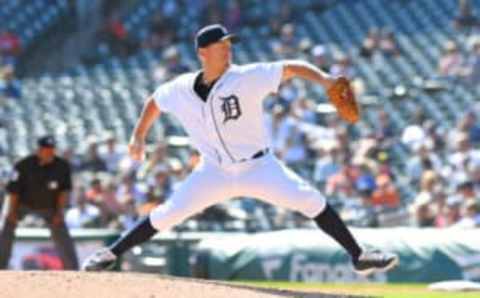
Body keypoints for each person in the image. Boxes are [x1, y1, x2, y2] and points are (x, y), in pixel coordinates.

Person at [82, 24, 398, 275]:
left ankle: (359, 256)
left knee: (311, 200)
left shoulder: (247, 76)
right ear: (203, 52)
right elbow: (154, 101)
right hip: (213, 171)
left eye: (230, 43)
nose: (228, 49)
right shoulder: (179, 88)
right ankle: (110, 254)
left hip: (259, 168)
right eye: (222, 45)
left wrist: (325, 79)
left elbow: (291, 66)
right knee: (167, 214)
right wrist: (139, 137)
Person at [0, 136, 79, 269]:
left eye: (52, 149)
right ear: (38, 150)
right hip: (22, 204)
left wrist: (60, 212)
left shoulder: (62, 166)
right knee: (7, 224)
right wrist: (11, 212)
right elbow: (13, 191)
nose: (50, 152)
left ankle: (72, 269)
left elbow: (64, 191)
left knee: (60, 227)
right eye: (46, 149)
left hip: (48, 205)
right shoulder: (23, 165)